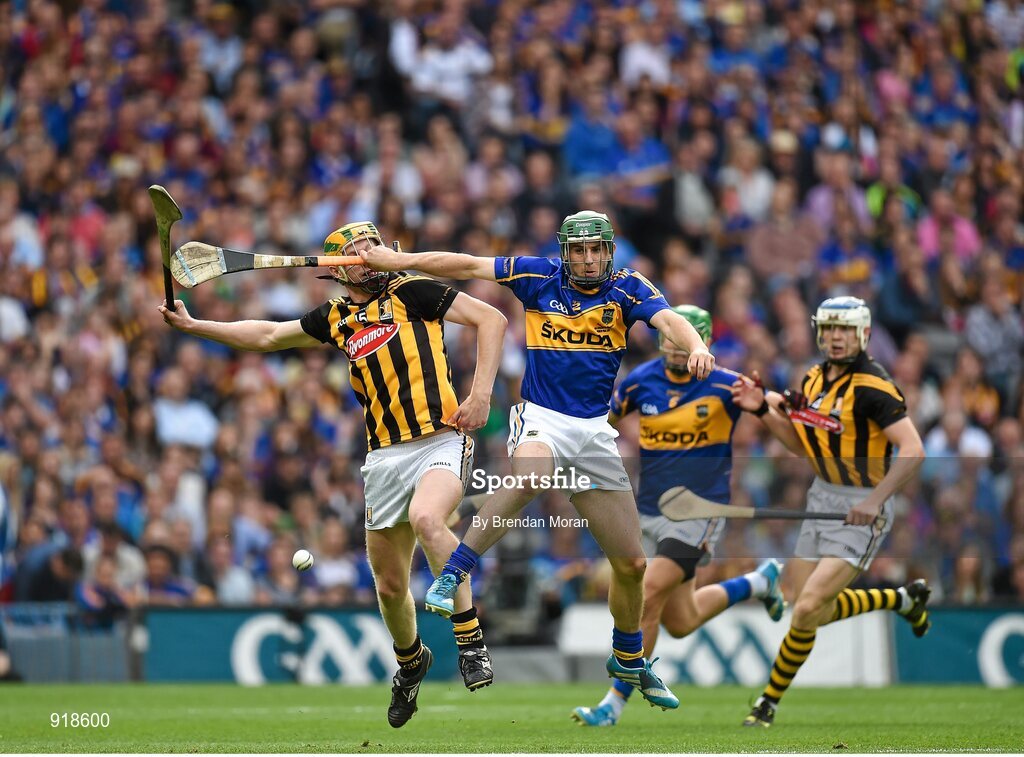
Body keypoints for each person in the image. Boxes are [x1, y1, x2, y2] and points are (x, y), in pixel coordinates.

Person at [361, 210, 715, 711]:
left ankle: (628, 657)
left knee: (633, 564)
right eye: (579, 250)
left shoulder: (628, 287)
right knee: (531, 476)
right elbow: (465, 263)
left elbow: (670, 319)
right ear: (565, 251)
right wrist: (401, 261)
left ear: (608, 251)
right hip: (542, 417)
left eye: (596, 249)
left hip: (593, 432)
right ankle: (455, 571)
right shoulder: (538, 275)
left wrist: (695, 344)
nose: (588, 259)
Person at [160, 221, 508, 728]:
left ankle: (470, 639)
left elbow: (491, 318)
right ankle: (411, 662)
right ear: (340, 268)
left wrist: (480, 395)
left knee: (429, 519)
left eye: (375, 244)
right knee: (390, 586)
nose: (373, 253)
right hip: (383, 458)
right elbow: (268, 335)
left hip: (441, 439)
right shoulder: (336, 317)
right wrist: (196, 327)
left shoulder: (411, 289)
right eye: (360, 249)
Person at [572, 305, 786, 727]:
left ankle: (613, 704)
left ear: (703, 341)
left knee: (647, 593)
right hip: (648, 510)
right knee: (681, 621)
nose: (674, 347)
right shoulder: (640, 381)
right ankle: (760, 582)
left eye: (684, 340)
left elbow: (776, 409)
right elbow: (600, 423)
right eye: (668, 338)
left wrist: (768, 405)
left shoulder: (725, 383)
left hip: (698, 511)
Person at [730, 296, 930, 728]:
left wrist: (874, 501)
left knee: (807, 610)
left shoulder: (875, 388)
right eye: (830, 329)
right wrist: (761, 409)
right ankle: (900, 599)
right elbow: (802, 445)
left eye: (846, 330)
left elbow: (914, 450)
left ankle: (767, 703)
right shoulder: (814, 378)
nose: (836, 338)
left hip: (863, 505)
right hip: (821, 497)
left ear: (864, 334)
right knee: (804, 605)